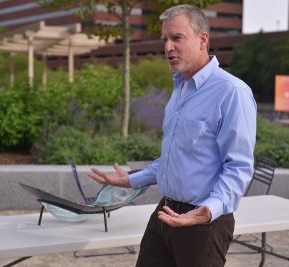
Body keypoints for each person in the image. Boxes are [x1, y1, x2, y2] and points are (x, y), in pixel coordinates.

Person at [88, 4, 256, 267]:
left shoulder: (232, 91)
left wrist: (209, 210)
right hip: (165, 211)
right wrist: (132, 180)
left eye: (177, 38)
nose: (168, 47)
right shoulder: (180, 88)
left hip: (203, 223)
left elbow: (239, 167)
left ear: (203, 40)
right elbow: (174, 159)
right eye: (165, 39)